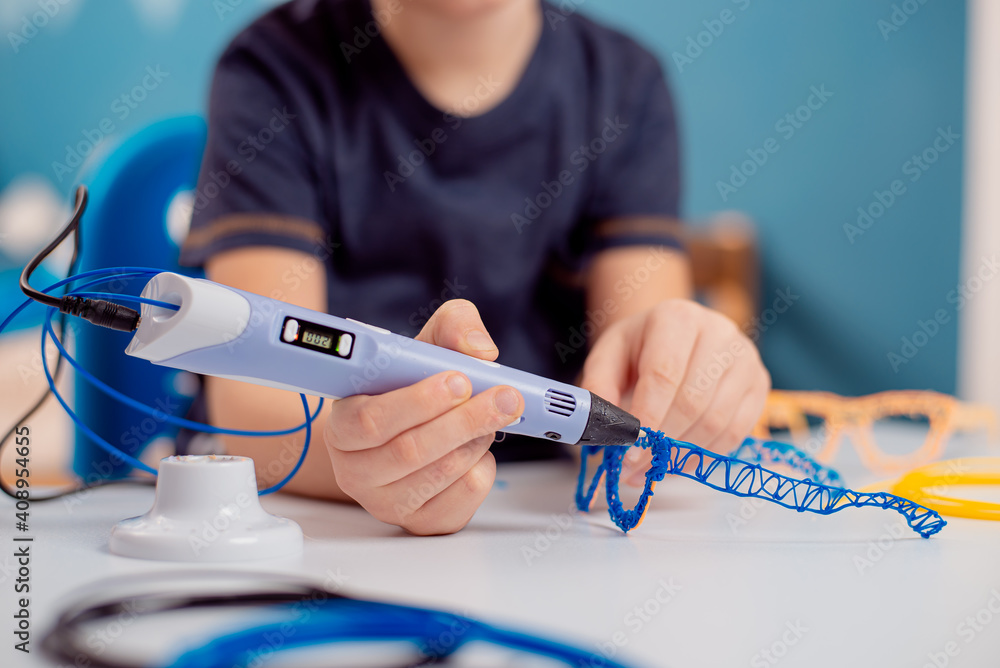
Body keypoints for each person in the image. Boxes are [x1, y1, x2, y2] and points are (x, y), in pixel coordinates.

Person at [178, 0, 770, 535]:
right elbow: (254, 400)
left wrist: (687, 374)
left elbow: (645, 369)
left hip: (550, 533)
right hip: (324, 529)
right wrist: (356, 459)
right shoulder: (274, 68)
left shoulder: (625, 84)